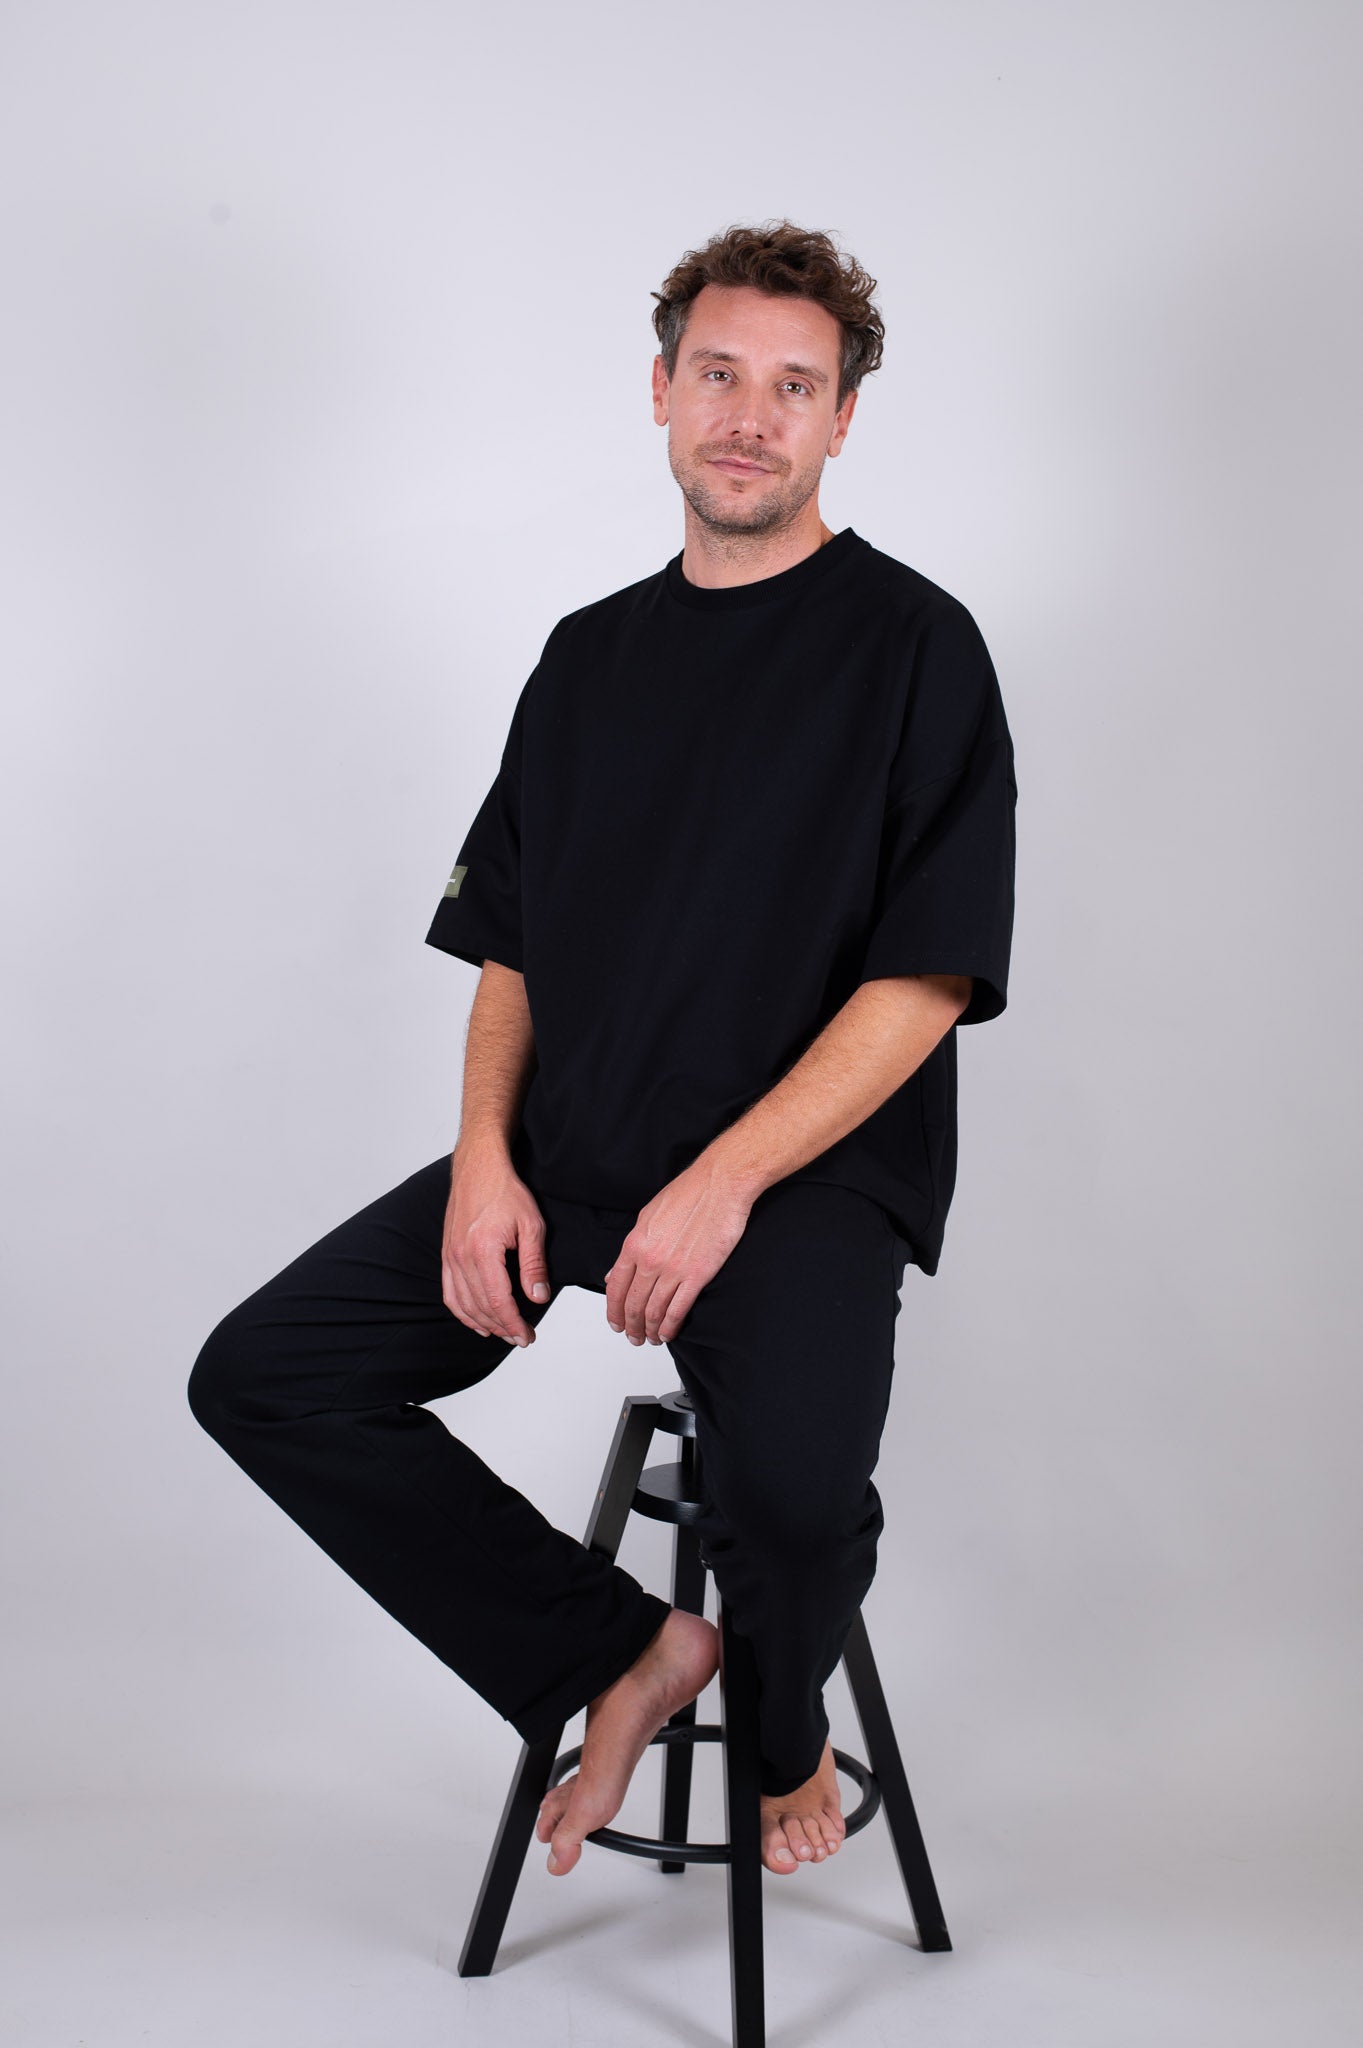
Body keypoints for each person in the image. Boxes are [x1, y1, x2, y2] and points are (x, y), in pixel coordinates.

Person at [187, 218, 1018, 1882]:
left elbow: (925, 982)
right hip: (573, 1151)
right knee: (269, 1375)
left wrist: (723, 1187)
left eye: (795, 387)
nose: (750, 417)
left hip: (802, 1180)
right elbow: (513, 948)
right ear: (661, 391)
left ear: (843, 419)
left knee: (792, 1501)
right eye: (720, 374)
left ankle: (783, 1733)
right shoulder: (585, 659)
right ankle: (619, 1650)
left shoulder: (917, 647)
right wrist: (487, 1164)